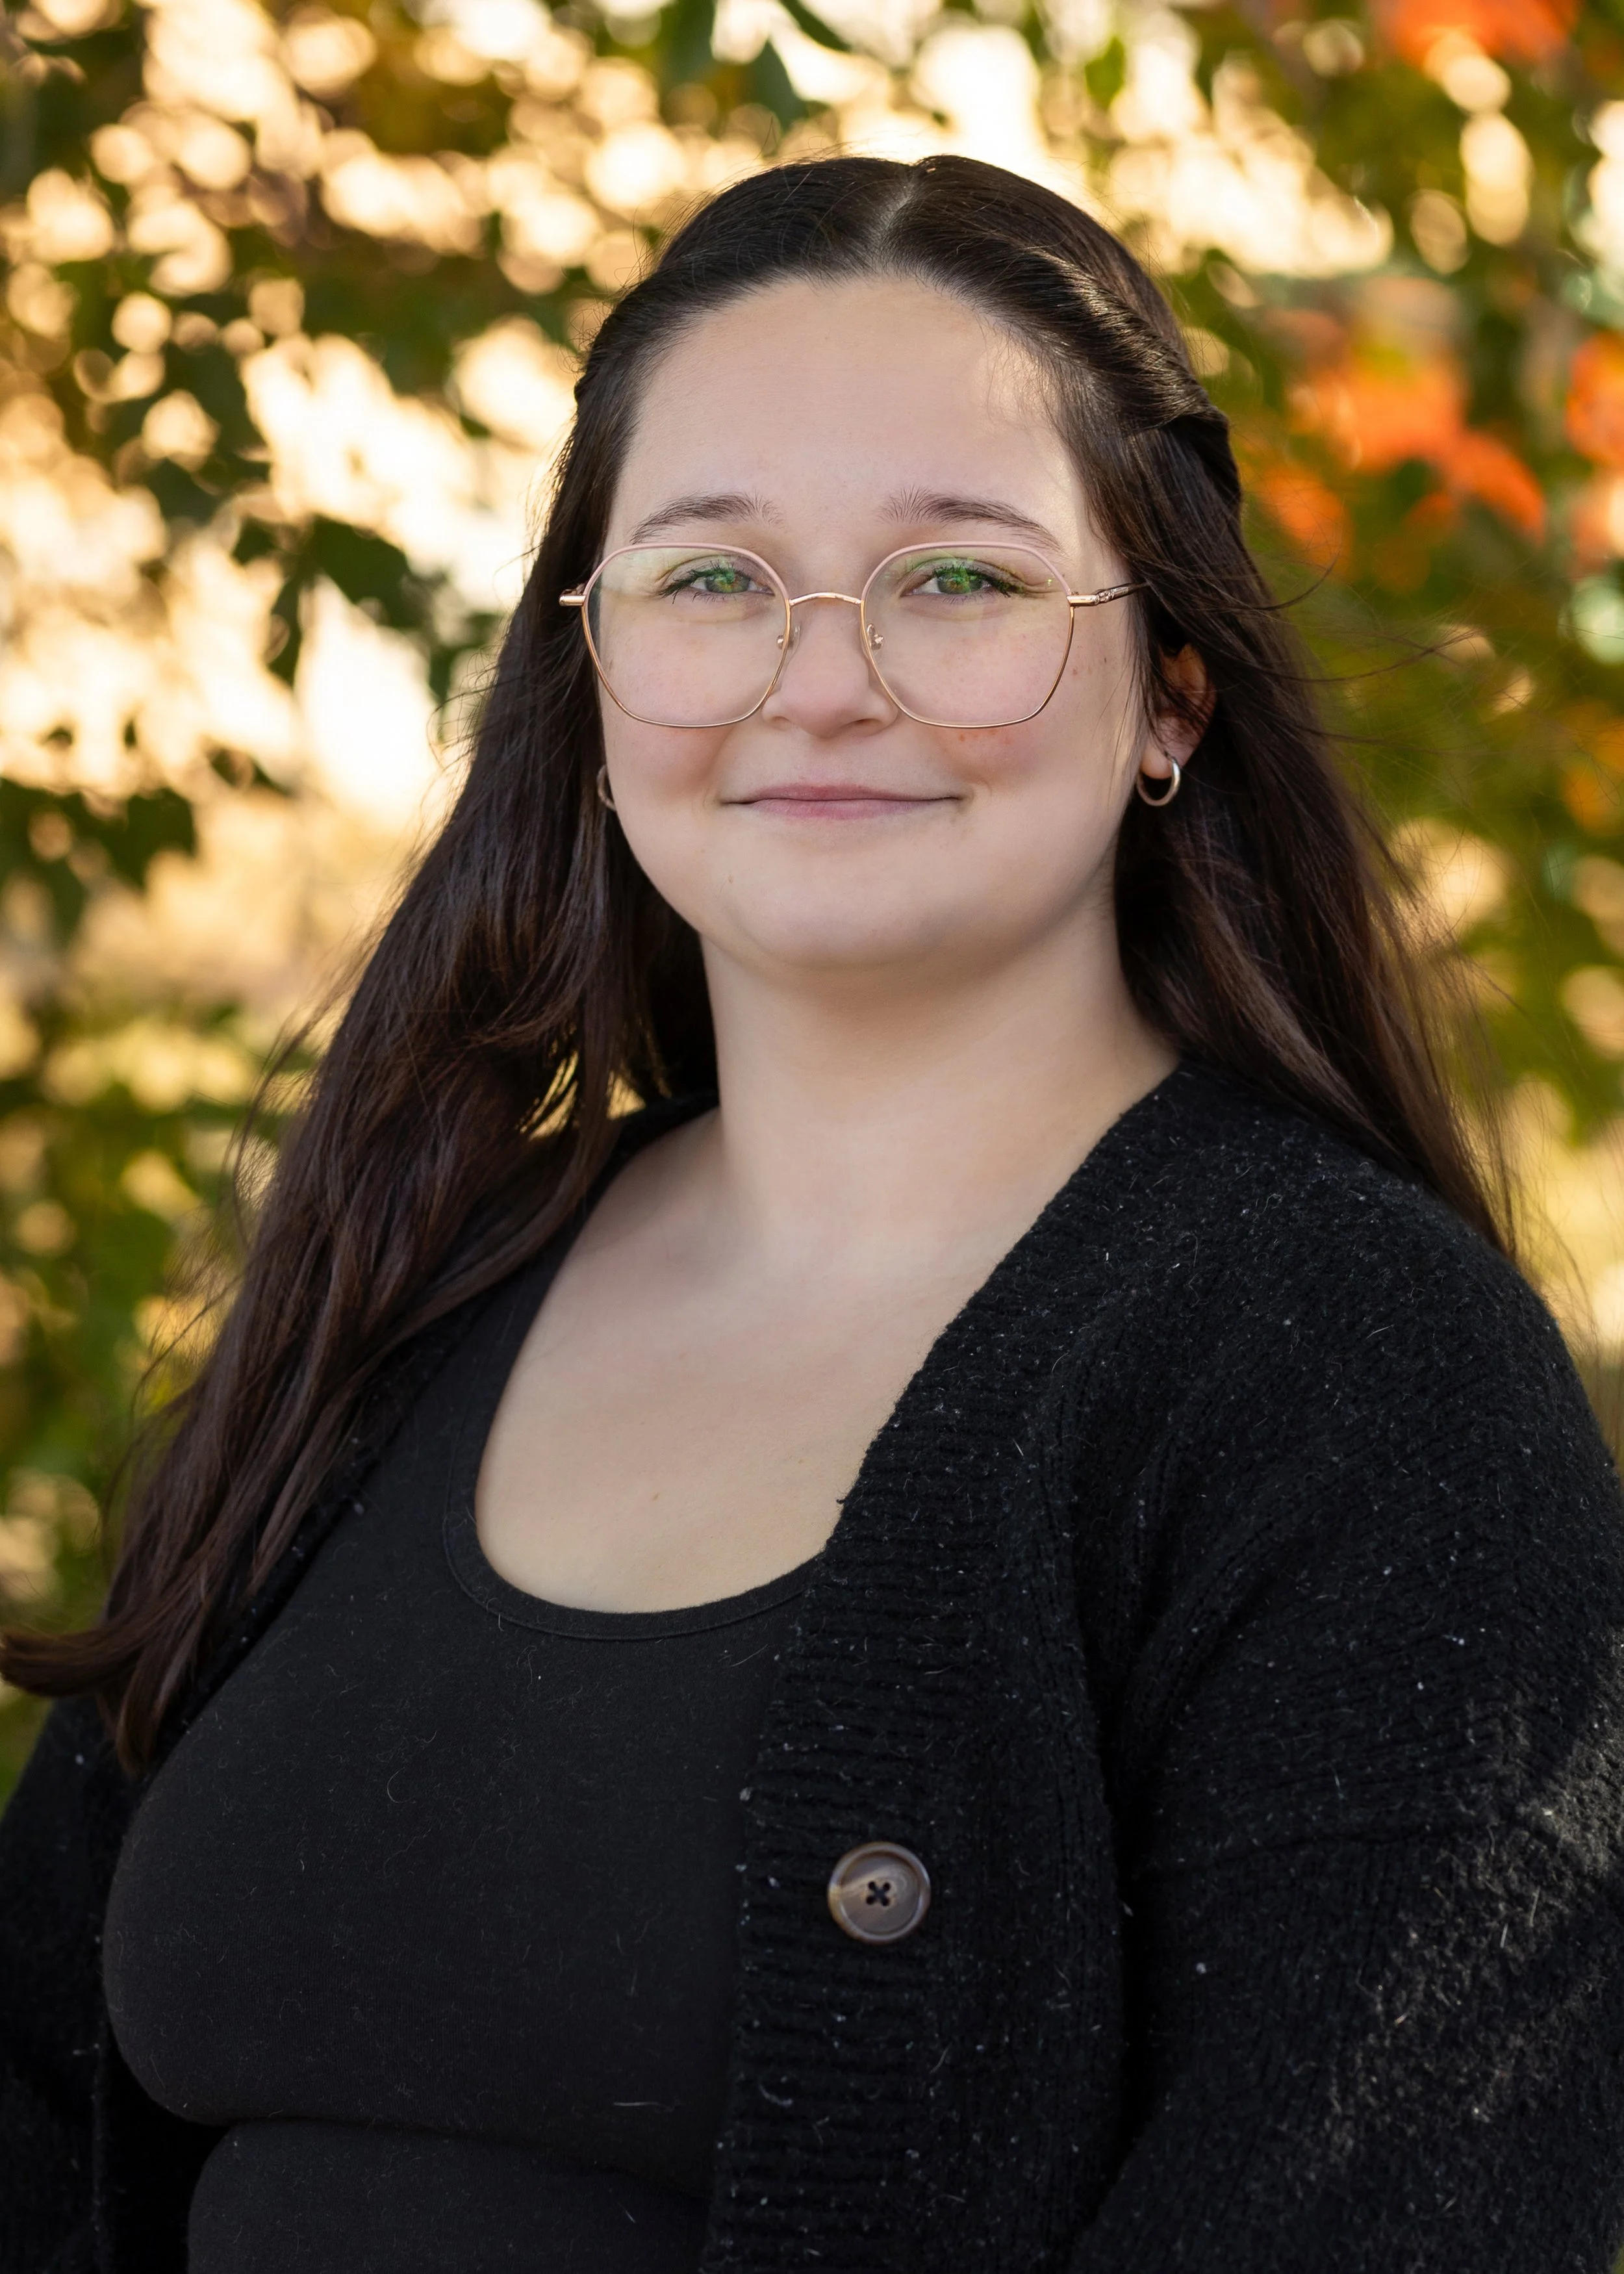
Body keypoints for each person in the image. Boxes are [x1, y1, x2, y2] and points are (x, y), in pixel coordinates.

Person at [2, 151, 1622, 2274]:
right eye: (708, 579)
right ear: (587, 685)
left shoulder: (1358, 1382)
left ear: (1169, 695)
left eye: (958, 581)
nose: (821, 678)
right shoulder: (412, 1284)